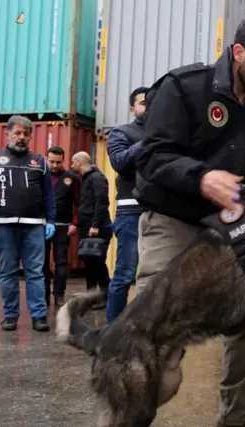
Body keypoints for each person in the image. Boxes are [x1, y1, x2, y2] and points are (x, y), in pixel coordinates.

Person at [134, 13, 245, 427]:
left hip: (228, 230)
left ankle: (236, 421)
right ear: (239, 52)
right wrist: (202, 177)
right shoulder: (184, 88)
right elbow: (151, 158)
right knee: (153, 332)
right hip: (173, 220)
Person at [0, 115, 56, 332]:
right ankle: (10, 316)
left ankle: (39, 316)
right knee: (7, 271)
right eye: (17, 133)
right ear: (8, 134)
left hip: (34, 224)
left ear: (31, 136)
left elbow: (48, 195)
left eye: (26, 134)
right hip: (3, 223)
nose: (21, 137)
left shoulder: (40, 162)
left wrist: (51, 220)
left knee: (35, 271)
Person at [105, 86, 148, 324]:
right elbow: (119, 162)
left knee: (153, 276)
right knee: (124, 275)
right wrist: (149, 142)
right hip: (131, 213)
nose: (148, 107)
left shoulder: (168, 133)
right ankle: (113, 331)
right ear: (133, 109)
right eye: (143, 103)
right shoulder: (121, 132)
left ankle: (145, 331)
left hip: (160, 213)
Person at [71, 152, 113, 311]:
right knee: (90, 262)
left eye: (72, 162)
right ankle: (90, 296)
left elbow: (102, 203)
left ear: (80, 163)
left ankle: (104, 295)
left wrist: (95, 225)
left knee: (97, 262)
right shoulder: (87, 178)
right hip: (88, 228)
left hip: (98, 229)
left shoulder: (96, 178)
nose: (71, 166)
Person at [43, 146, 81, 307]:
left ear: (63, 161)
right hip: (42, 225)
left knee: (61, 262)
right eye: (51, 161)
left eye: (58, 162)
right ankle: (43, 296)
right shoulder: (40, 175)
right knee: (42, 263)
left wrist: (75, 223)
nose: (54, 165)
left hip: (63, 226)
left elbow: (80, 203)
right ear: (46, 159)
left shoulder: (71, 178)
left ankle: (59, 294)